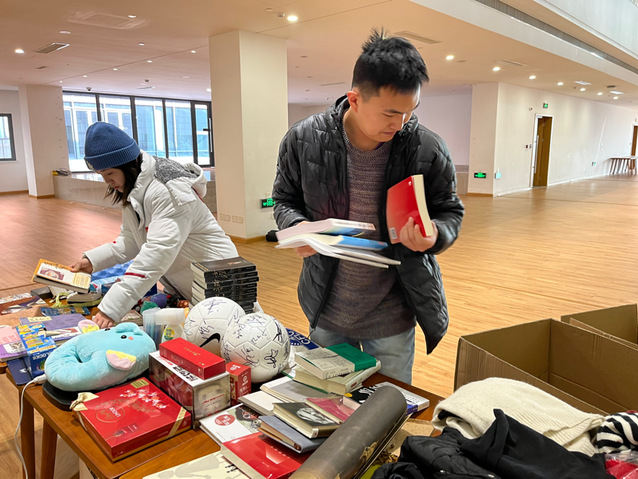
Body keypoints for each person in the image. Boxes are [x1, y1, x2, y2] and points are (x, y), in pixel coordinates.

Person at [271, 29, 464, 384]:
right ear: (355, 99)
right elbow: (284, 199)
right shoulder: (304, 139)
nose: (400, 124)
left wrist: (435, 234)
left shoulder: (426, 147)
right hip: (327, 307)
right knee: (328, 401)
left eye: (409, 112)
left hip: (393, 316)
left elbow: (450, 210)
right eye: (390, 113)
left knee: (387, 405)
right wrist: (297, 226)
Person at [71, 122, 238, 329]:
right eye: (102, 175)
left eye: (109, 173)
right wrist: (92, 261)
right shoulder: (136, 189)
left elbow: (156, 254)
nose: (107, 181)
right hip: (188, 283)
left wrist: (111, 307)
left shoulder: (168, 191)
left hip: (218, 283)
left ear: (126, 164)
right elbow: (130, 240)